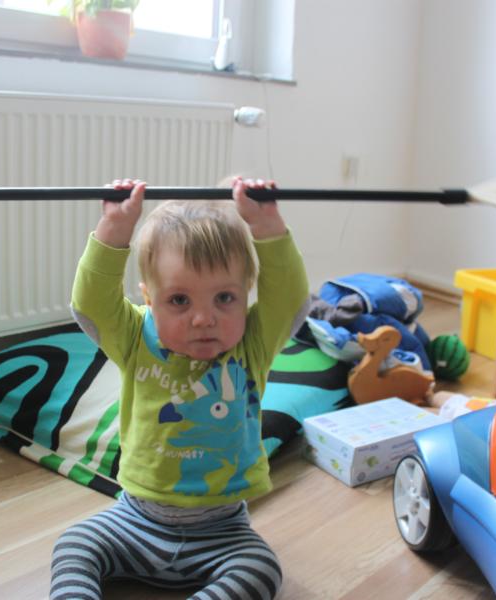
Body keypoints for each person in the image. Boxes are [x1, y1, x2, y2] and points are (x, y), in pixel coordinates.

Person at [50, 177, 310, 599]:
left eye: (224, 298)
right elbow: (91, 304)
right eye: (179, 301)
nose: (204, 319)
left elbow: (289, 299)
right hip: (134, 520)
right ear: (149, 299)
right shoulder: (136, 337)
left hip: (223, 532)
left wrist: (267, 227)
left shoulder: (252, 343)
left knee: (261, 570)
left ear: (246, 294)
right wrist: (114, 230)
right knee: (74, 544)